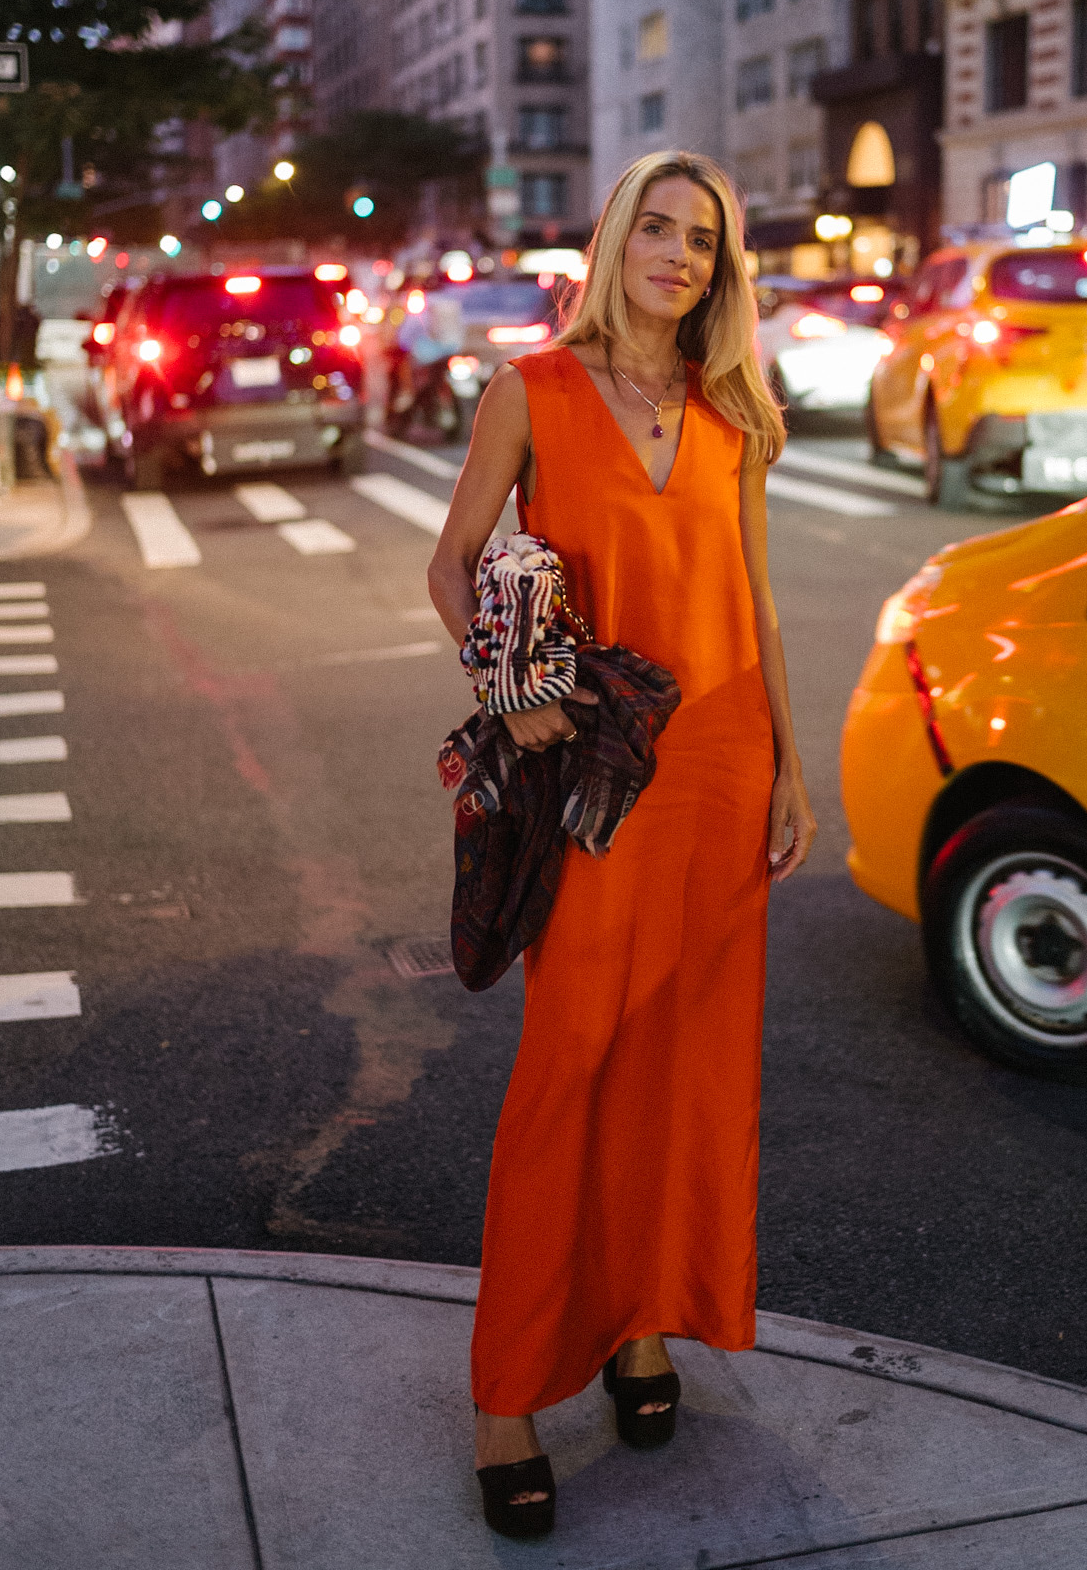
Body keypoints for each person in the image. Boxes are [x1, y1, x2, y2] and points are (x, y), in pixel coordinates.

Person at [428, 150, 817, 1539]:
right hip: (597, 772)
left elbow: (759, 601)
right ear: (614, 241)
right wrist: (515, 692)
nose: (675, 254)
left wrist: (790, 762)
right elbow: (457, 559)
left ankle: (644, 1326)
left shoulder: (733, 411)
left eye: (700, 240)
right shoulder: (529, 391)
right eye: (654, 228)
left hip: (720, 764)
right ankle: (506, 1393)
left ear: (721, 271)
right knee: (568, 1068)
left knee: (683, 1066)